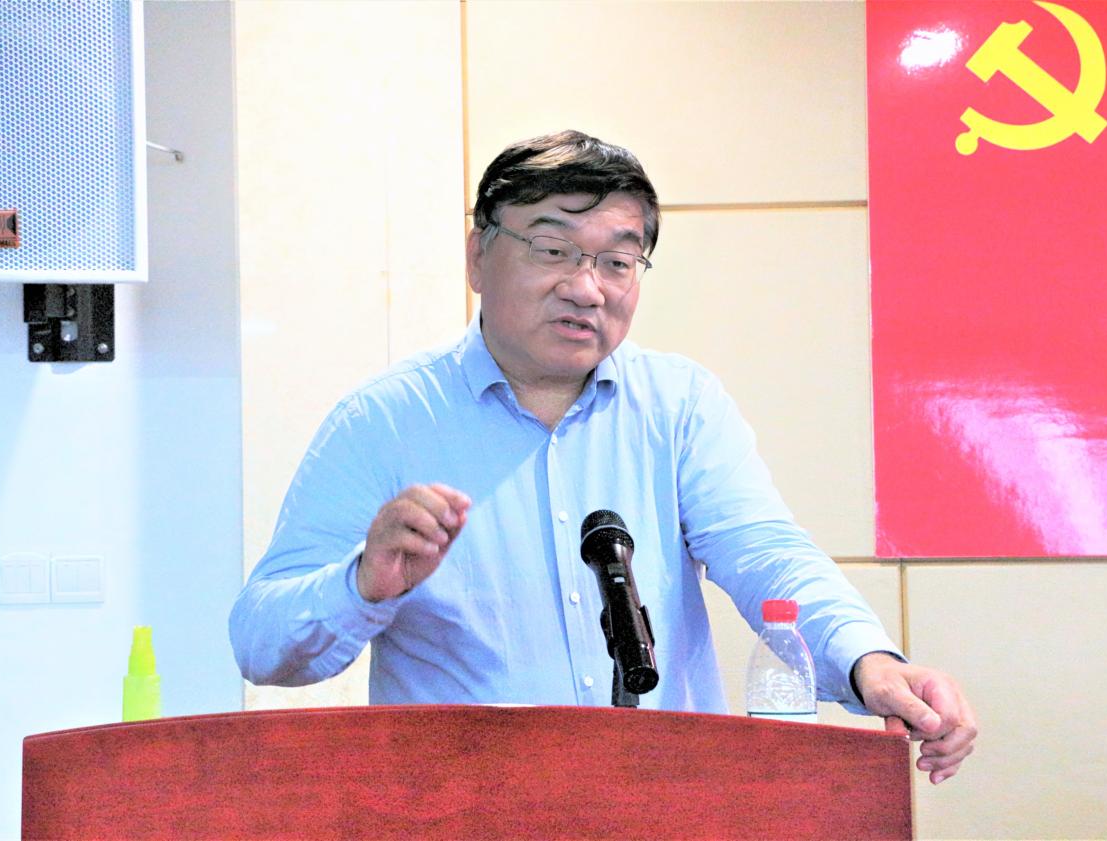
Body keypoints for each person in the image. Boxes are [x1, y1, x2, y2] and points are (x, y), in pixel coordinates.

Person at [230, 130, 977, 784]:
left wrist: (870, 662)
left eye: (618, 261)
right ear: (477, 257)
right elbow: (261, 644)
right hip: (460, 810)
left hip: (663, 801)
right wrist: (362, 584)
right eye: (553, 249)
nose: (586, 288)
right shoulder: (384, 422)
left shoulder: (680, 406)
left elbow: (767, 555)